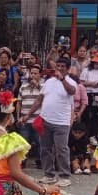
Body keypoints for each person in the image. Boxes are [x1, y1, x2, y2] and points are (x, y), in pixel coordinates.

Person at [26, 57, 77, 186]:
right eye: (58, 66)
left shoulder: (71, 82)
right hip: (45, 119)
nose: (59, 68)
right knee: (45, 149)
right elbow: (39, 100)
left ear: (68, 69)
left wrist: (62, 79)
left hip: (62, 122)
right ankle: (49, 175)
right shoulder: (48, 82)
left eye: (63, 66)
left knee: (61, 149)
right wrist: (28, 115)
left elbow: (72, 91)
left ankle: (65, 176)